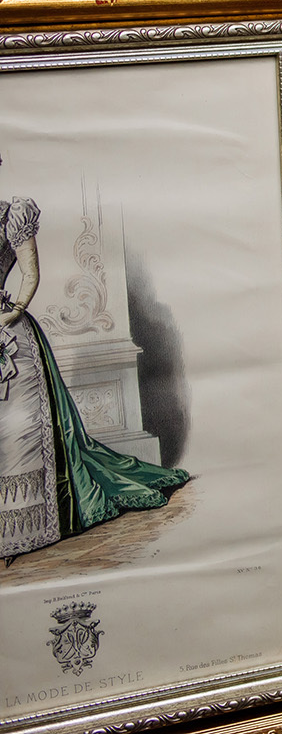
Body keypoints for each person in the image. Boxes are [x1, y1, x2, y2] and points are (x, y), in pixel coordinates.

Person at [0, 154, 190, 558]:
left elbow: (31, 274)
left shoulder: (12, 215)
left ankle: (35, 522)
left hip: (10, 336)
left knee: (24, 432)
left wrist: (13, 310)